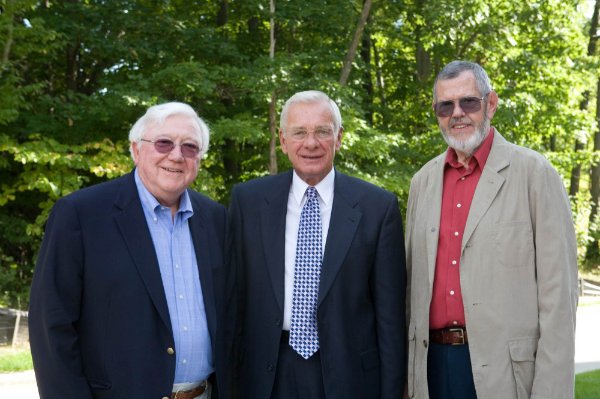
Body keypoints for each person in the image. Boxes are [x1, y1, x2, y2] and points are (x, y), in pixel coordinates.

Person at [29, 102, 230, 399]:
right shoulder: (82, 214)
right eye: (164, 143)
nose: (176, 155)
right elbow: (51, 324)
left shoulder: (216, 218)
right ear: (136, 150)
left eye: (189, 147)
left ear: (199, 159)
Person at [404, 61, 578, 399]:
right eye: (445, 105)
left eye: (468, 101)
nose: (457, 113)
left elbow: (559, 298)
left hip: (506, 374)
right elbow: (411, 290)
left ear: (491, 104)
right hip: (432, 369)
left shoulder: (535, 174)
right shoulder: (421, 182)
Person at [229, 90, 406, 398]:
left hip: (350, 375)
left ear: (338, 138)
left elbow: (390, 317)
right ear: (283, 141)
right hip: (268, 373)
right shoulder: (248, 202)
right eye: (299, 133)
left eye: (322, 132)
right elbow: (234, 303)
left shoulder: (378, 207)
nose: (310, 143)